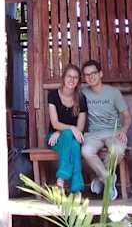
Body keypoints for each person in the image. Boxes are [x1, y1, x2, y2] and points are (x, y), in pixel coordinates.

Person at [80, 60, 131, 200]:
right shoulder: (82, 92)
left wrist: (124, 130)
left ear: (101, 74)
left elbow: (127, 117)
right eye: (87, 75)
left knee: (118, 150)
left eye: (93, 73)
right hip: (93, 134)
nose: (90, 77)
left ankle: (100, 177)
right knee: (86, 151)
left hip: (114, 132)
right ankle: (108, 179)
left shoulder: (113, 93)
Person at [46, 64, 87, 193]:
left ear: (78, 81)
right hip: (54, 138)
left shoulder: (81, 98)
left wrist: (68, 130)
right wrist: (66, 130)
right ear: (63, 77)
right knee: (70, 137)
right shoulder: (53, 95)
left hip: (73, 138)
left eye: (75, 77)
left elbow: (79, 129)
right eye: (69, 76)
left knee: (73, 143)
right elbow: (55, 123)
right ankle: (77, 186)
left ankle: (61, 180)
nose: (72, 80)